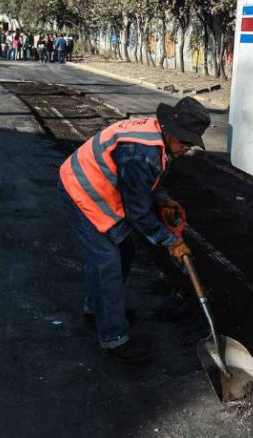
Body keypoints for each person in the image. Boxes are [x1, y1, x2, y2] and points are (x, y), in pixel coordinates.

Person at [57, 97, 211, 363]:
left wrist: (162, 198)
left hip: (100, 186)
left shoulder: (157, 138)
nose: (187, 148)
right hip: (81, 189)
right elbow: (137, 211)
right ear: (171, 131)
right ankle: (114, 338)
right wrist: (170, 241)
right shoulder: (142, 152)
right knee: (107, 260)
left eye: (190, 143)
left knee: (125, 250)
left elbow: (149, 178)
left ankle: (98, 309)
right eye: (185, 142)